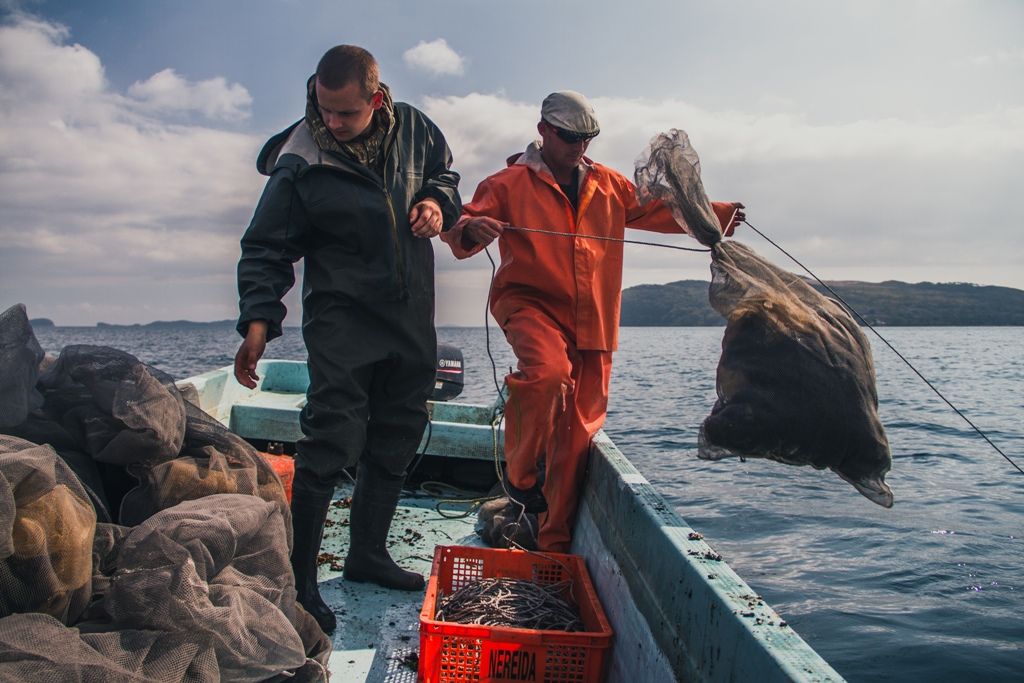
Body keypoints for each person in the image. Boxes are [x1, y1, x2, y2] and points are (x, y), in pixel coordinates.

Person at [441, 91, 743, 552]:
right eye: (568, 137)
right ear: (543, 131)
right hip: (530, 306)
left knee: (576, 438)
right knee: (546, 373)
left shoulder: (610, 184)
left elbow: (655, 210)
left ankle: (551, 542)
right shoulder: (506, 183)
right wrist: (469, 229)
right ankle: (520, 478)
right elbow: (462, 223)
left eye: (587, 139)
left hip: (595, 321)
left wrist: (718, 215)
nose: (577, 147)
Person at [234, 45, 461, 633]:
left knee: (397, 432)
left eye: (345, 114)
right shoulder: (300, 156)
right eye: (323, 109)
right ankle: (301, 579)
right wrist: (259, 321)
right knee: (330, 436)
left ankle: (367, 555)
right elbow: (266, 244)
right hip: (341, 317)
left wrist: (438, 202)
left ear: (376, 99)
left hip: (411, 313)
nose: (331, 123)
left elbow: (446, 175)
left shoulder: (414, 126)